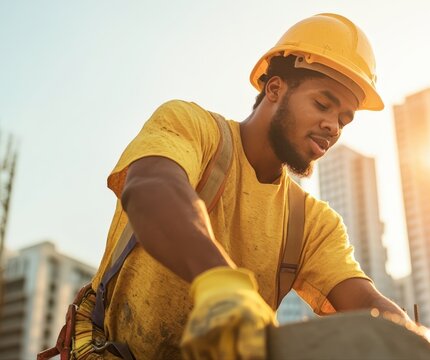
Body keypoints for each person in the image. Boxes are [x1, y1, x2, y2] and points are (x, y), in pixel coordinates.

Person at [89, 12, 407, 359]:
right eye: (322, 104)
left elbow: (365, 302)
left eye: (343, 119)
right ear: (275, 89)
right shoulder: (193, 128)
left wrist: (418, 344)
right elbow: (150, 187)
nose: (333, 126)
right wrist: (221, 283)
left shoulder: (312, 223)